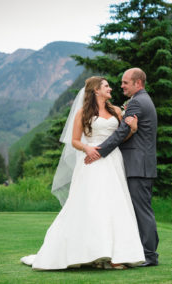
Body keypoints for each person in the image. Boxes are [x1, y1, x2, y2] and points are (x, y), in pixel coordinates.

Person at [20, 76, 145, 270]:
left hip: (112, 160)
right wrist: (87, 149)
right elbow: (75, 141)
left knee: (115, 203)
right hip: (91, 161)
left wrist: (133, 129)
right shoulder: (82, 113)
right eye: (106, 86)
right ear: (96, 90)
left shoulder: (116, 111)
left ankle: (116, 256)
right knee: (92, 204)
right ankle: (94, 254)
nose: (110, 88)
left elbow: (121, 136)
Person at [85, 68, 159, 267]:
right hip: (142, 164)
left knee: (142, 211)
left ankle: (150, 255)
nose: (122, 85)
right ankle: (147, 252)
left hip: (137, 165)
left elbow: (122, 133)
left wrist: (99, 151)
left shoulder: (136, 102)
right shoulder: (144, 100)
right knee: (142, 209)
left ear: (137, 83)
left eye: (126, 82)